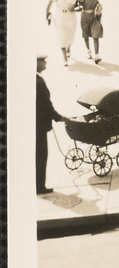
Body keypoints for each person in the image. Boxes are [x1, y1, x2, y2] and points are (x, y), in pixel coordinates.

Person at [36, 52, 65, 194]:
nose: (45, 63)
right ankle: (39, 187)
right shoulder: (39, 83)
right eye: (43, 61)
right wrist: (60, 118)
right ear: (36, 63)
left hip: (34, 126)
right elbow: (47, 106)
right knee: (41, 157)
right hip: (39, 127)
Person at [46, 0, 79, 66]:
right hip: (59, 17)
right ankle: (64, 58)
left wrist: (75, 7)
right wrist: (47, 17)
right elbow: (48, 6)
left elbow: (79, 3)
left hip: (71, 16)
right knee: (61, 36)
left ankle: (68, 47)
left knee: (70, 36)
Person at [76, 0, 104, 64]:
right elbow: (80, 6)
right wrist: (78, 8)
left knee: (96, 36)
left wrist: (99, 9)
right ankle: (88, 51)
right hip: (85, 17)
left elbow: (97, 3)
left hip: (94, 17)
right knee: (85, 35)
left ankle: (97, 55)